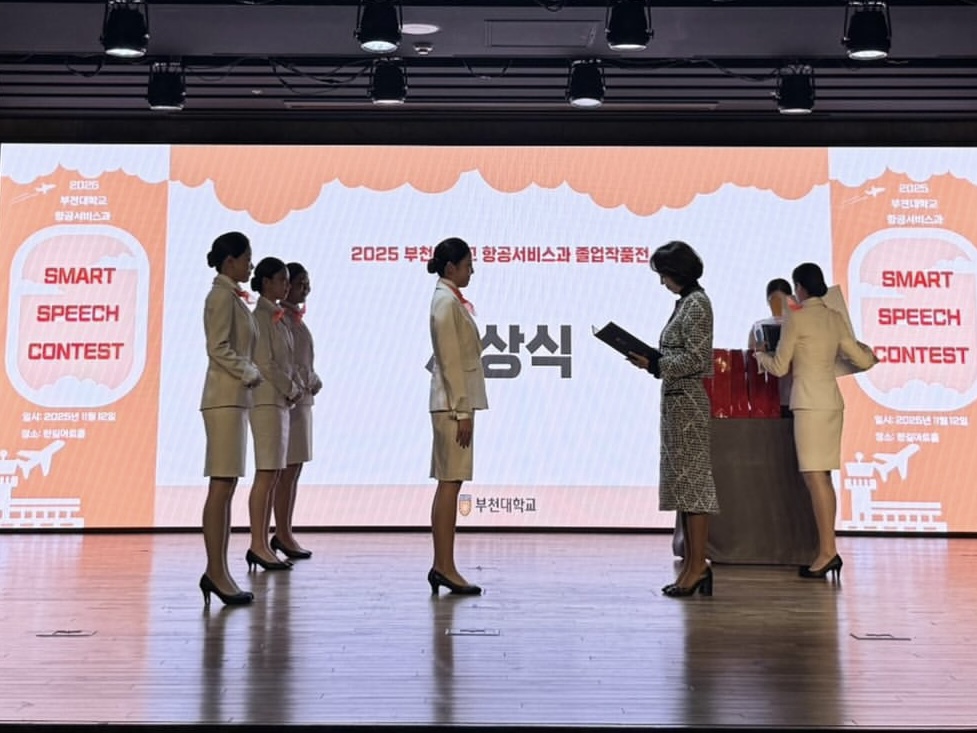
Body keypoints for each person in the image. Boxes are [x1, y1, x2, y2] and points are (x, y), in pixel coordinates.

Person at [754, 262, 878, 580]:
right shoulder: (834, 317)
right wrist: (870, 353)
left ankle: (827, 552)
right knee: (823, 477)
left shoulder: (797, 318)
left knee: (815, 477)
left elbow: (779, 367)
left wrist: (759, 354)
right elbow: (862, 360)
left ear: (799, 287)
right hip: (831, 403)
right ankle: (826, 550)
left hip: (809, 404)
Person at [628, 240, 718, 598]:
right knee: (684, 489)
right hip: (676, 404)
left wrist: (656, 364)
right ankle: (692, 566)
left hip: (688, 405)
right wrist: (654, 362)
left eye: (664, 274)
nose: (662, 281)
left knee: (694, 489)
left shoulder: (697, 304)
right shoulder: (685, 303)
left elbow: (698, 359)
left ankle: (698, 566)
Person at [199, 231, 262, 607]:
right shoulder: (221, 296)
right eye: (247, 258)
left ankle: (219, 570)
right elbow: (218, 347)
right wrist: (247, 371)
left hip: (235, 400)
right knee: (221, 487)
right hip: (223, 399)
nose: (250, 265)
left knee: (227, 486)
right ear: (230, 261)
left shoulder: (231, 296)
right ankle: (215, 571)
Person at [426, 237, 487, 596]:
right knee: (450, 484)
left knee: (449, 483)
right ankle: (445, 566)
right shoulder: (446, 302)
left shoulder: (448, 299)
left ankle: (443, 565)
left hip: (452, 404)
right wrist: (462, 410)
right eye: (467, 265)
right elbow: (450, 363)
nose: (472, 271)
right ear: (451, 268)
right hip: (452, 406)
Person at [246, 256, 302, 572]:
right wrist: (291, 387)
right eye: (282, 279)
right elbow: (265, 364)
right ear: (266, 282)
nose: (287, 285)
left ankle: (264, 543)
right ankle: (257, 543)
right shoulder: (261, 317)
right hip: (266, 401)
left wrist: (294, 387)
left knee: (274, 474)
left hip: (279, 402)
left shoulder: (277, 317)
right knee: (266, 473)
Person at [274, 262, 322, 561]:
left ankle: (285, 531)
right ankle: (282, 533)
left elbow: (303, 362)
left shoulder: (296, 319)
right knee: (286, 472)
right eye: (301, 283)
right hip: (289, 401)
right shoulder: (281, 319)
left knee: (294, 470)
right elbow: (285, 363)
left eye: (307, 283)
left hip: (302, 400)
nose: (306, 289)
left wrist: (312, 379)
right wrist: (304, 381)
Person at [749, 278, 799, 416]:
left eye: (781, 301)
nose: (777, 305)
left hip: (797, 393)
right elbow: (751, 359)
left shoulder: (798, 324)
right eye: (773, 301)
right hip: (770, 394)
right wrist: (758, 352)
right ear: (768, 301)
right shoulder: (758, 327)